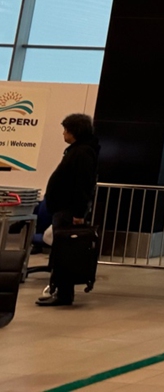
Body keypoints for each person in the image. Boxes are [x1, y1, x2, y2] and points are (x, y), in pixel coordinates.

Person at [37, 114, 99, 307]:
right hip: (63, 208)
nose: (64, 133)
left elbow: (82, 185)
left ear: (75, 132)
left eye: (66, 130)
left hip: (69, 211)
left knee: (65, 253)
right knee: (61, 251)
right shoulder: (78, 151)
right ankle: (60, 290)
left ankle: (64, 294)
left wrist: (79, 214)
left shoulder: (82, 153)